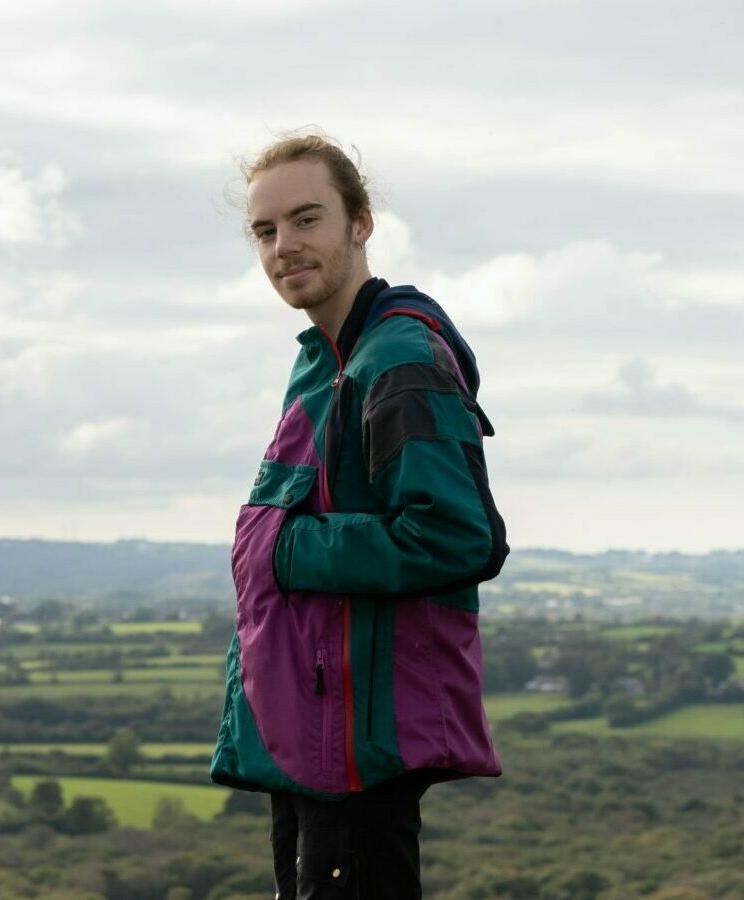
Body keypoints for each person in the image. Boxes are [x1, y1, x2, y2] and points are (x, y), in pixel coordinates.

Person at [209, 132, 507, 899]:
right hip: (307, 732)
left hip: (357, 741)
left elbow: (458, 534)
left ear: (361, 222)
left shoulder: (397, 362)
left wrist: (288, 547)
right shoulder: (326, 360)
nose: (284, 247)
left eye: (307, 220)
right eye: (266, 231)